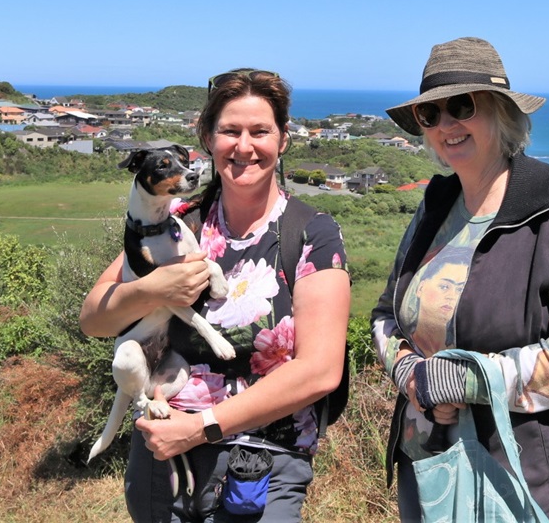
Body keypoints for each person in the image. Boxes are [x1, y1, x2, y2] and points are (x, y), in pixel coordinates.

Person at [80, 68, 351, 521]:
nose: (244, 146)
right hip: (161, 461)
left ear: (283, 139)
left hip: (259, 471)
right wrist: (150, 289)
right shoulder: (180, 221)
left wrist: (202, 428)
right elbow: (94, 319)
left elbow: (320, 371)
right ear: (207, 138)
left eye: (260, 131)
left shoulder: (312, 235)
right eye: (229, 131)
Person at [370, 37, 549, 522]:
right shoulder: (436, 206)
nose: (446, 125)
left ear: (502, 114)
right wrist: (409, 372)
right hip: (429, 466)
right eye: (430, 115)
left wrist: (471, 379)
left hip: (520, 478)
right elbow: (386, 313)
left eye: (462, 106)